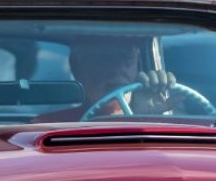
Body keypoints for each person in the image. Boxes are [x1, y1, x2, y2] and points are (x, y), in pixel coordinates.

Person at [39, 37, 177, 121]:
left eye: (126, 58)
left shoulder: (167, 123)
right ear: (77, 67)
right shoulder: (48, 127)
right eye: (104, 59)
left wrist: (141, 118)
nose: (117, 70)